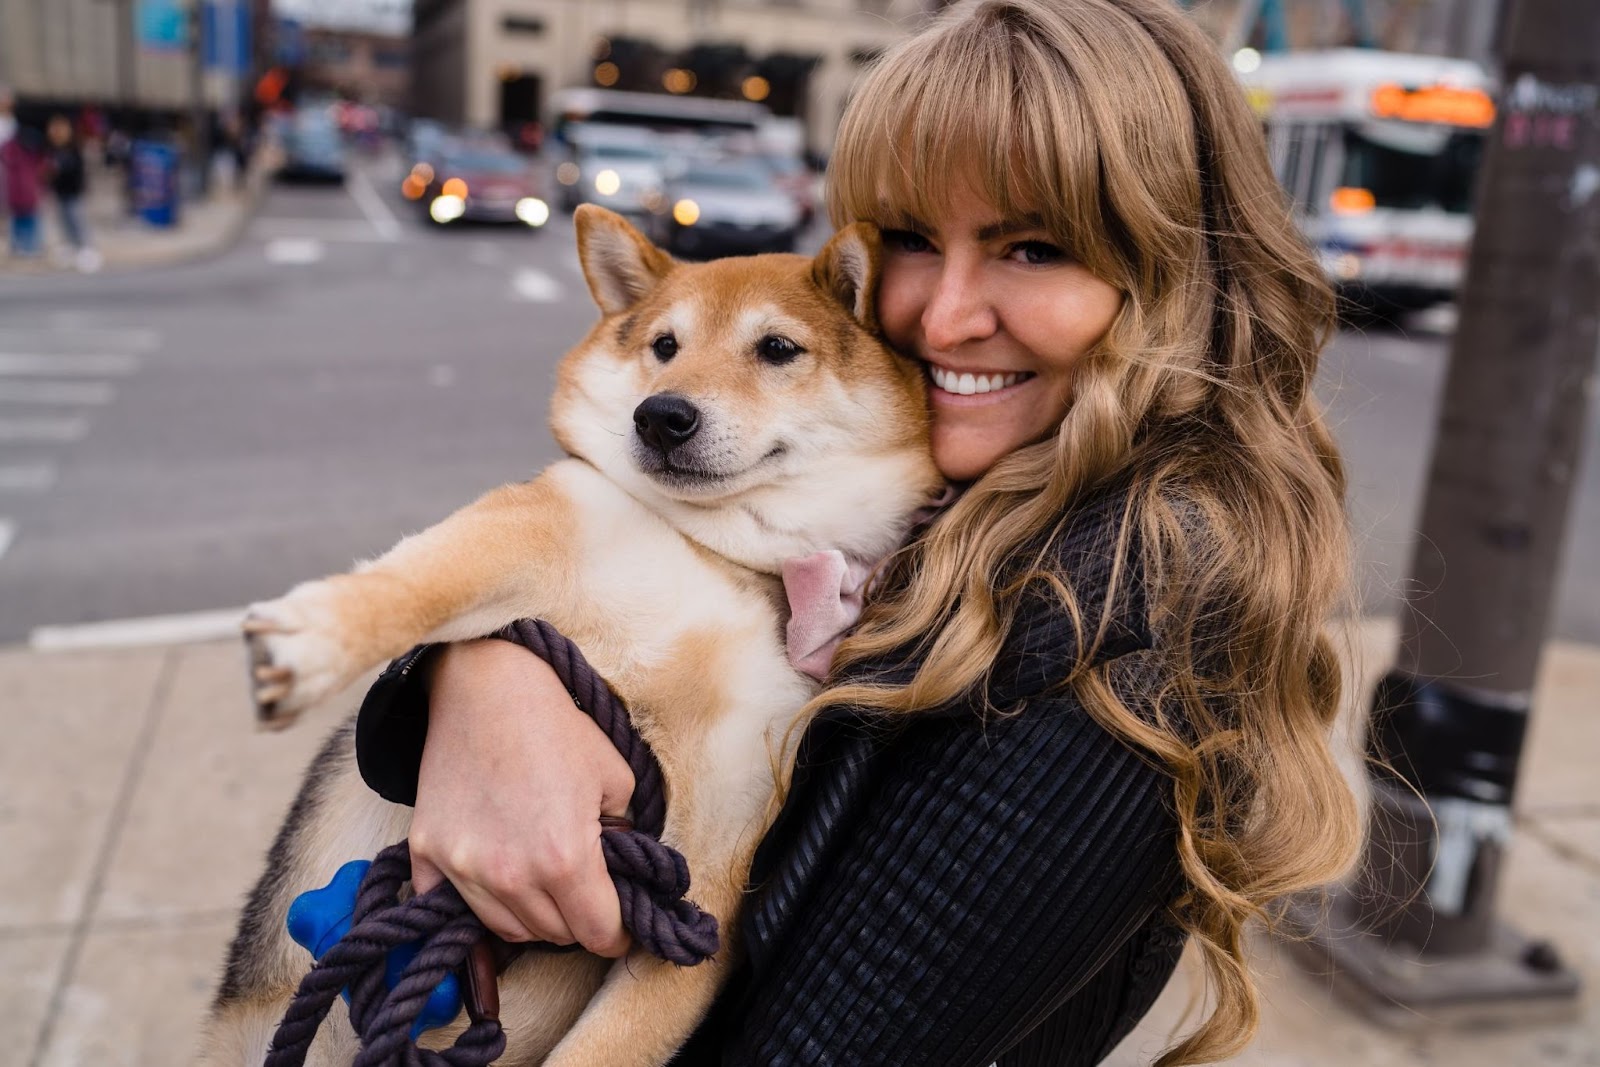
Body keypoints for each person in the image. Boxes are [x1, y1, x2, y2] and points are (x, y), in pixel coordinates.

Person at [355, 1, 1362, 1063]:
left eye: (1031, 247)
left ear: (1175, 276)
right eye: (913, 240)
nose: (940, 316)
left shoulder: (1115, 632)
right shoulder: (976, 497)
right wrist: (480, 668)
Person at [45, 114, 99, 272]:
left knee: (77, 221)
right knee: (64, 222)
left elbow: (77, 171)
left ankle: (87, 251)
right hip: (60, 192)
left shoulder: (73, 148)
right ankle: (71, 250)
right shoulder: (53, 150)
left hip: (73, 192)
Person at [1, 122, 44, 260]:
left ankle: (30, 246)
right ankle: (19, 247)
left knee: (29, 221)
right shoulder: (13, 150)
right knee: (19, 222)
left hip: (27, 194)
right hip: (17, 193)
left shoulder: (34, 155)